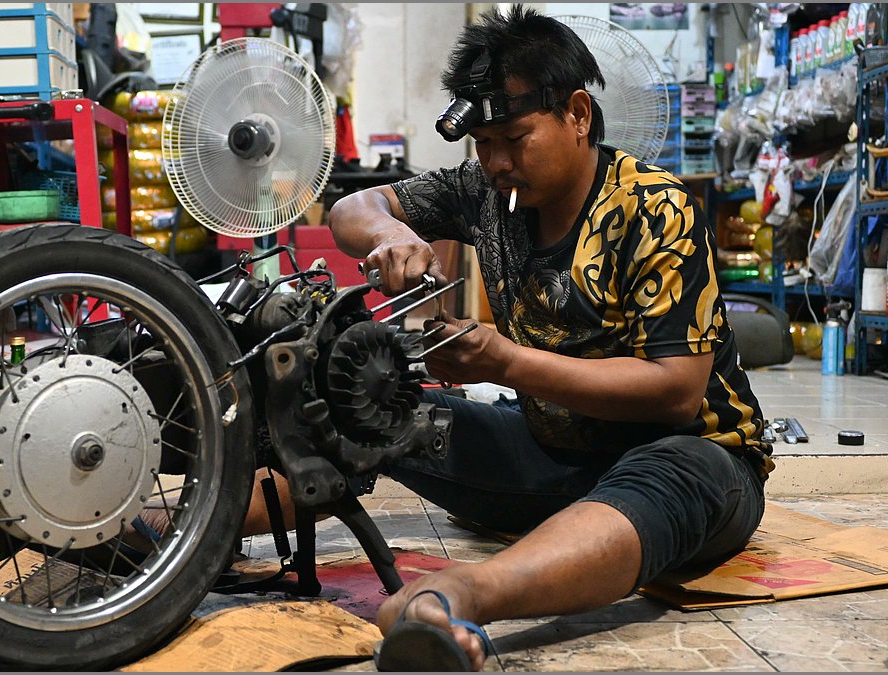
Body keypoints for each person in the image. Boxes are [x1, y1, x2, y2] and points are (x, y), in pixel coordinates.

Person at [322, 5, 771, 670]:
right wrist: (391, 234)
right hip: (551, 453)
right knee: (364, 407)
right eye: (484, 144)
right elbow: (350, 207)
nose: (498, 161)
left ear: (579, 114)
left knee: (670, 470)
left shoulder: (655, 209)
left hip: (695, 462)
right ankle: (182, 533)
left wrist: (506, 362)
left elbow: (677, 392)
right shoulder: (490, 194)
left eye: (516, 138)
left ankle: (453, 596)